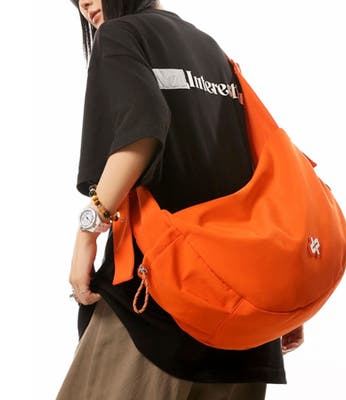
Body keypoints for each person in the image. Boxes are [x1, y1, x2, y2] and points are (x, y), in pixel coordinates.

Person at [56, 1, 304, 399]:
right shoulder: (210, 49)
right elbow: (255, 173)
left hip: (155, 311)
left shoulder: (121, 35)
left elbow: (143, 131)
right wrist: (279, 295)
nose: (84, 1)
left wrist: (88, 231)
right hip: (241, 328)